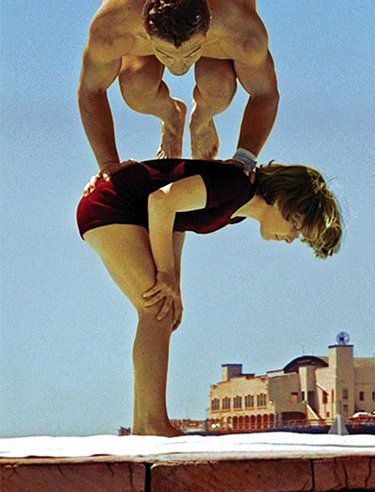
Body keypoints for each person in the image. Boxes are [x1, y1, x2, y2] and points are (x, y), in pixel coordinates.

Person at [77, 156, 342, 434]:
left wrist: (174, 283)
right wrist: (165, 273)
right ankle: (151, 424)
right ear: (285, 202)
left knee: (163, 307)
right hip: (110, 205)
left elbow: (177, 221)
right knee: (157, 308)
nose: (290, 238)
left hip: (127, 211)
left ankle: (144, 425)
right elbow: (161, 202)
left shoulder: (237, 208)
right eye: (296, 226)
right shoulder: (235, 185)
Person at [78, 0, 283, 174]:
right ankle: (171, 116)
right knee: (136, 88)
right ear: (145, 31)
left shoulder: (240, 30)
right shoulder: (113, 27)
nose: (179, 66)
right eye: (164, 54)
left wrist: (244, 160)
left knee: (217, 85)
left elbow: (265, 93)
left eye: (192, 52)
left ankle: (202, 118)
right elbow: (91, 90)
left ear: (208, 30)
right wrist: (108, 165)